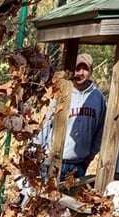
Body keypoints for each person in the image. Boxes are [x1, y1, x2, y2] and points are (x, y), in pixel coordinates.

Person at [37, 52, 106, 181]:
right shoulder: (61, 92)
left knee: (71, 200)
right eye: (77, 69)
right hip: (53, 161)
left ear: (91, 71)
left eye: (85, 69)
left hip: (78, 165)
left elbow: (100, 131)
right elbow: (45, 123)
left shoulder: (98, 98)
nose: (80, 73)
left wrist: (90, 156)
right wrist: (39, 151)